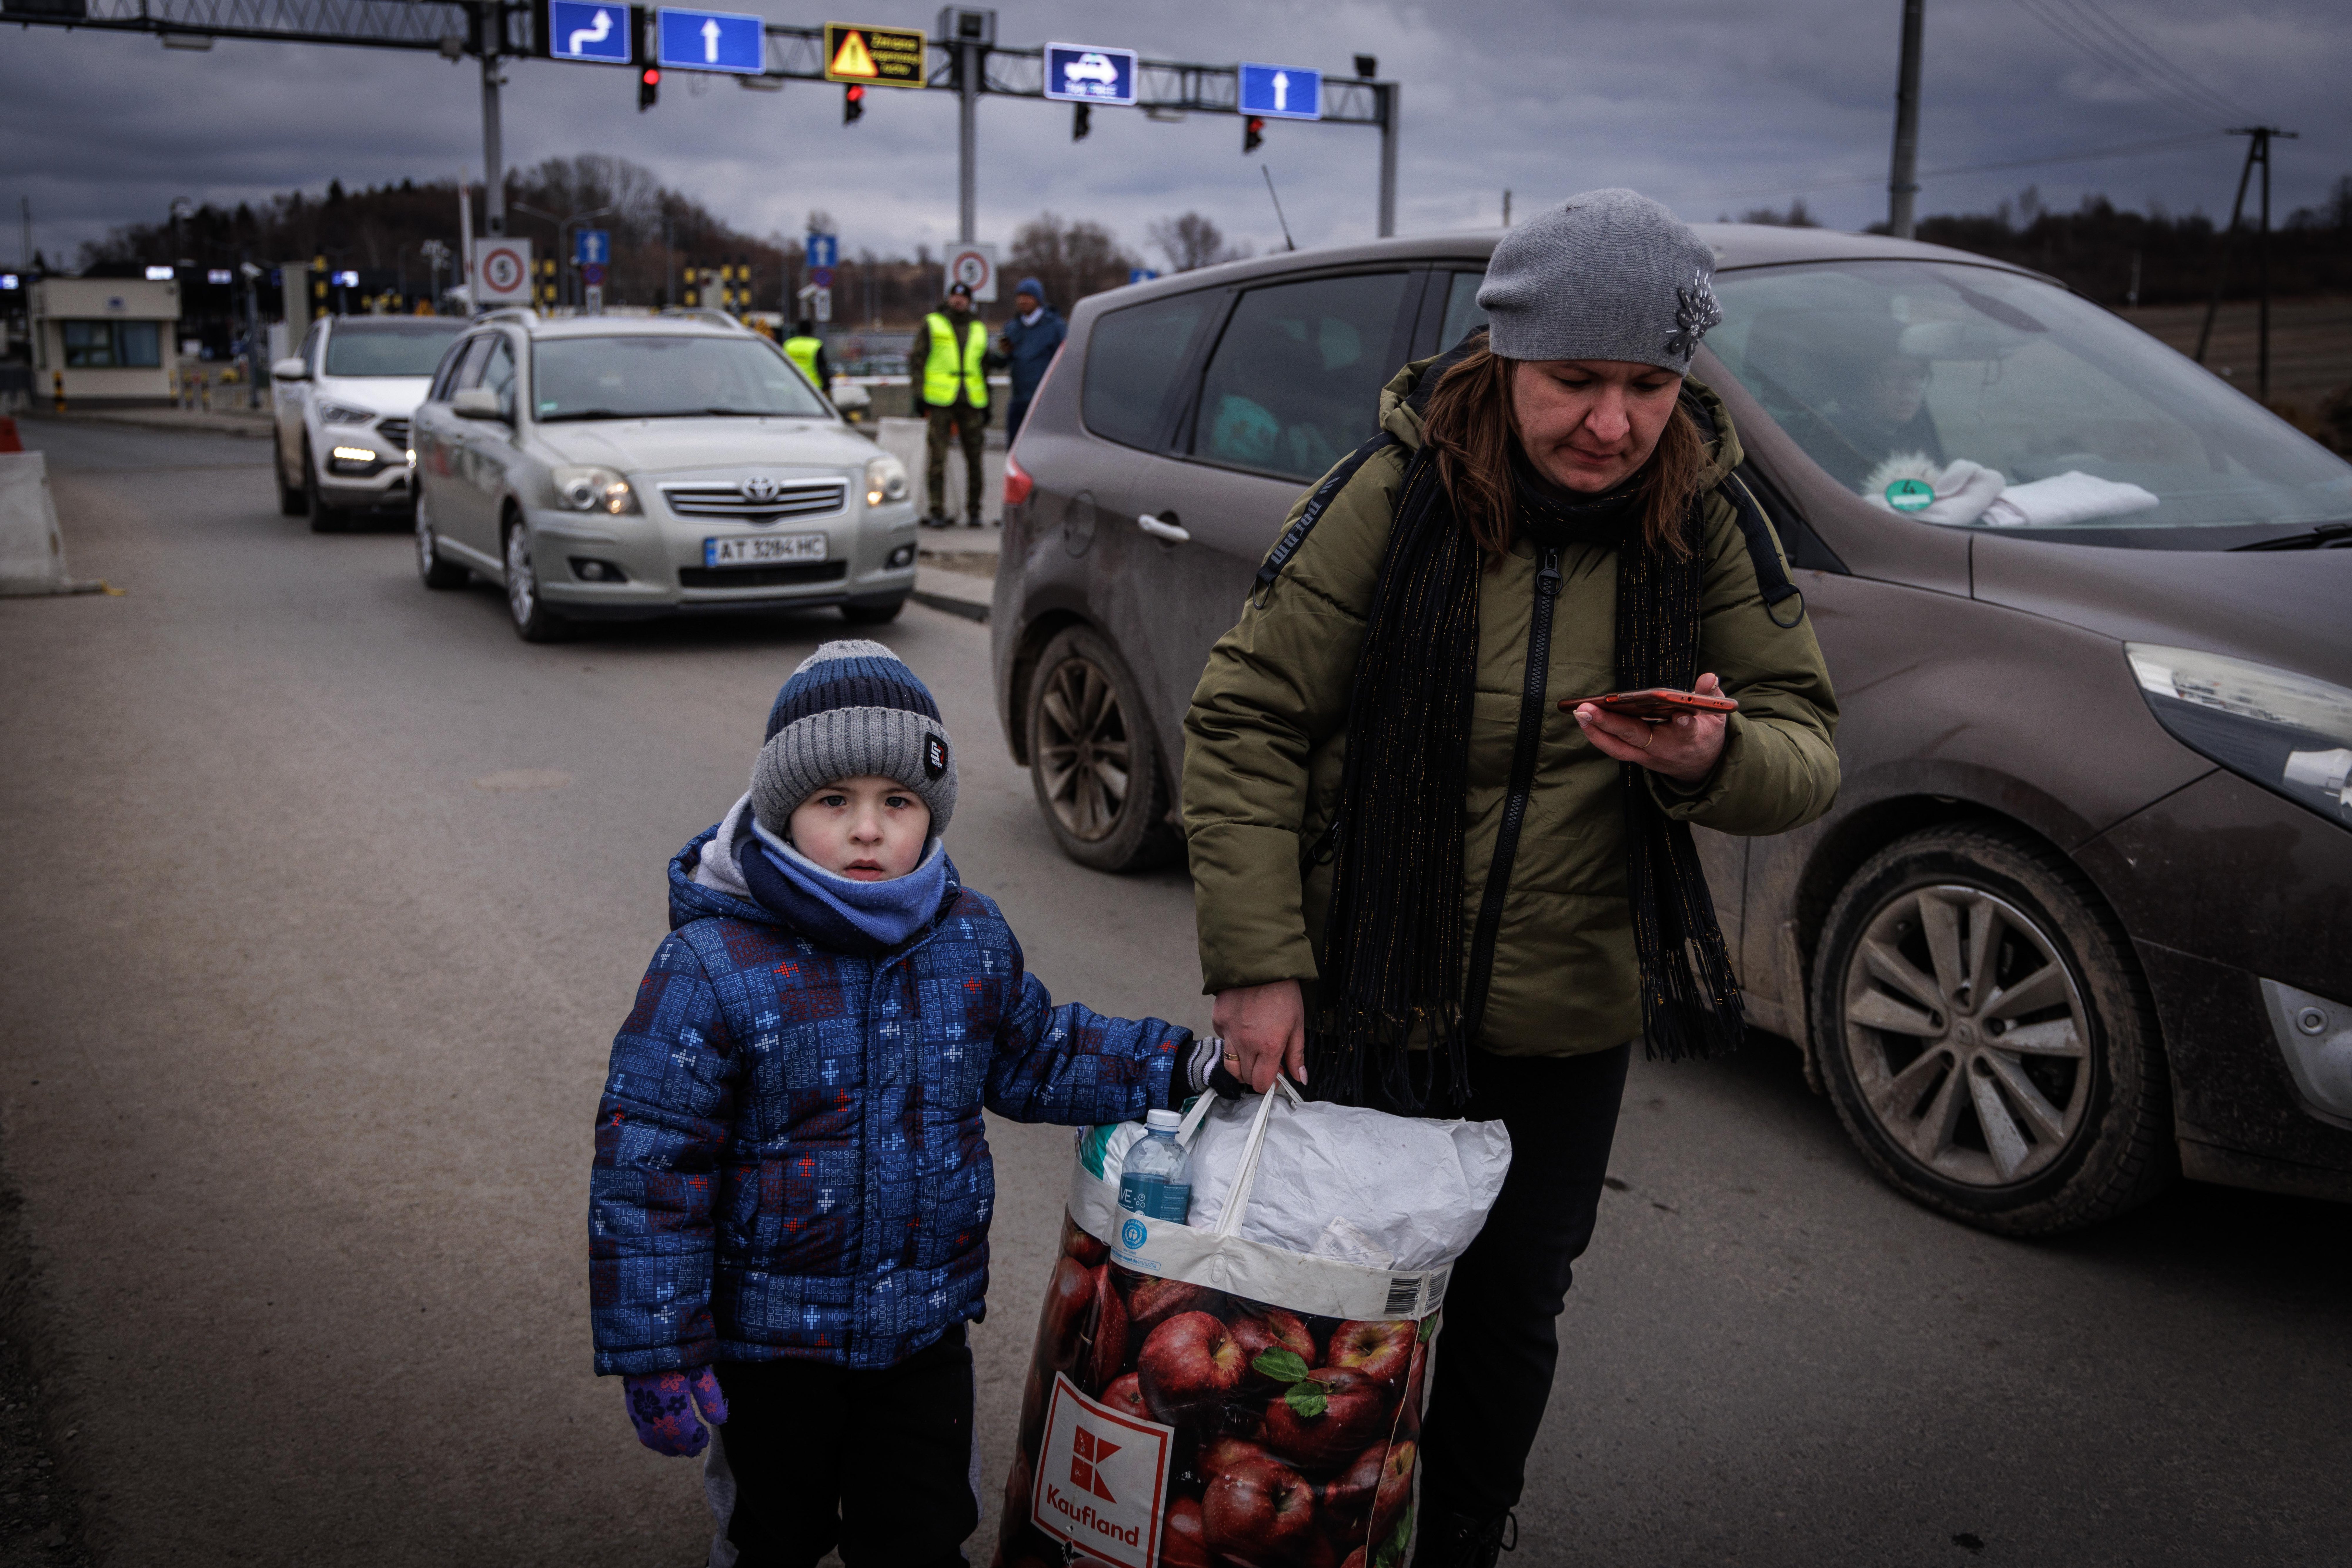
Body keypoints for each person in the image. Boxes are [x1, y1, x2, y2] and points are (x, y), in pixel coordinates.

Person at [1180, 190, 1841, 1567]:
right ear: (1506, 356)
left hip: (1564, 1015)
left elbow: (1804, 746)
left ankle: (1465, 1534)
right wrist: (1257, 964)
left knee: (1508, 1309)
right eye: (1576, 382)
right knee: (1328, 1298)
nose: (1613, 425)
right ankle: (1303, 1524)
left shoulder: (1707, 516)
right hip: (1362, 986)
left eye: (1648, 385)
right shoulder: (1390, 489)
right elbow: (1245, 718)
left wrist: (1711, 757)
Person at [589, 641, 1229, 1568]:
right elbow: (650, 1159)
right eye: (831, 800)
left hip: (920, 1331)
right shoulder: (712, 962)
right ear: (780, 809)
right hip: (770, 1347)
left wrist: (1178, 1063)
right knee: (776, 1535)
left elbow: (1040, 1053)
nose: (865, 829)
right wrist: (656, 1341)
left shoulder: (965, 937)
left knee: (922, 1535)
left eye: (896, 801)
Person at [911, 282, 1003, 529]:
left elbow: (983, 367)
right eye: (955, 297)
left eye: (963, 298)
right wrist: (918, 395)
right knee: (937, 458)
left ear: (970, 302)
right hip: (941, 400)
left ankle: (975, 511)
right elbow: (918, 359)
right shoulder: (933, 323)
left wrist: (987, 402)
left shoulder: (979, 328)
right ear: (949, 298)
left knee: (975, 459)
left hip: (972, 400)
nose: (959, 301)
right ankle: (937, 510)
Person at [994, 276, 1065, 445]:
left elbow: (1065, 361)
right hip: (1018, 401)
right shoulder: (1012, 328)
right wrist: (999, 354)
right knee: (1014, 449)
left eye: (1028, 296)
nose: (1023, 301)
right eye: (1020, 296)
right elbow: (1001, 362)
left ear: (1038, 300)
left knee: (1042, 450)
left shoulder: (1055, 327)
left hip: (1044, 403)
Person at [782, 318, 832, 395]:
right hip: (812, 389)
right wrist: (827, 387)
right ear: (811, 330)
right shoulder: (816, 345)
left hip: (791, 389)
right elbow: (822, 369)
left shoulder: (788, 345)